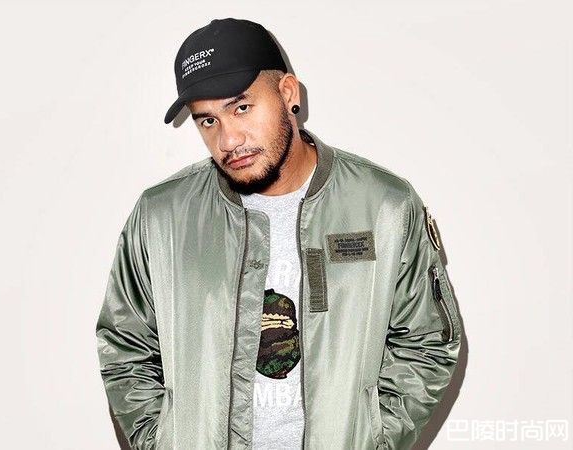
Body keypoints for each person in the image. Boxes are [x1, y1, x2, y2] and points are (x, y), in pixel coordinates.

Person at [95, 17, 463, 450]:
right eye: (207, 121)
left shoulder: (383, 206)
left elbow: (427, 343)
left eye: (241, 108)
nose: (228, 140)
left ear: (288, 93)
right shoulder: (162, 217)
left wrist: (375, 440)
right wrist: (161, 442)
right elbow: (125, 345)